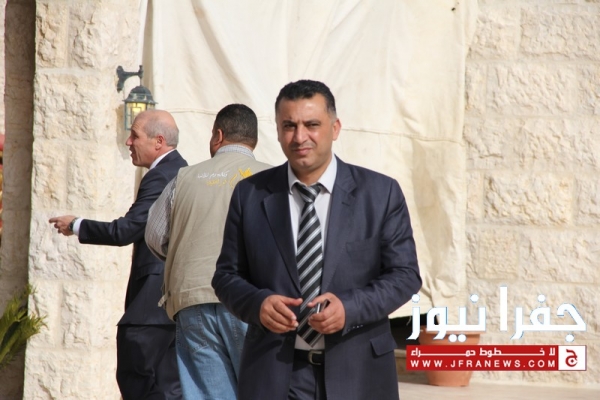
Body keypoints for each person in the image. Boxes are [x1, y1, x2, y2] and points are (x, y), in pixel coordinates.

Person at [211, 80, 422, 400]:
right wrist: (258, 304)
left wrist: (349, 308)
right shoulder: (250, 195)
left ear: (335, 128)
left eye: (312, 125)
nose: (300, 137)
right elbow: (226, 277)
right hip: (275, 374)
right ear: (277, 131)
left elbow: (405, 276)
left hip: (359, 373)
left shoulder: (380, 194)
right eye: (289, 126)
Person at [49, 109, 186, 400]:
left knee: (140, 383)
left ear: (158, 141)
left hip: (152, 307)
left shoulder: (161, 176)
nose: (128, 142)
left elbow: (127, 230)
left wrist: (76, 225)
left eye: (135, 135)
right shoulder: (179, 170)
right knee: (166, 389)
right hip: (170, 307)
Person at [145, 104, 271, 399]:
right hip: (254, 301)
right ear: (253, 141)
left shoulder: (184, 178)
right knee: (262, 390)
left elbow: (154, 236)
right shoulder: (274, 179)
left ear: (218, 135)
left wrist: (185, 255)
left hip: (193, 299)